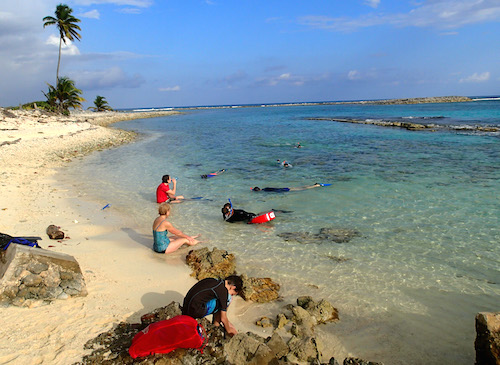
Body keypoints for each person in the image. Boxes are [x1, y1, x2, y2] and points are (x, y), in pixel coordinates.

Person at [252, 183, 322, 192]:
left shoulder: (265, 191)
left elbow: (275, 192)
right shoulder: (266, 188)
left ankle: (316, 185)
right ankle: (313, 184)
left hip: (285, 190)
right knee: (300, 186)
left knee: (302, 189)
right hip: (285, 187)